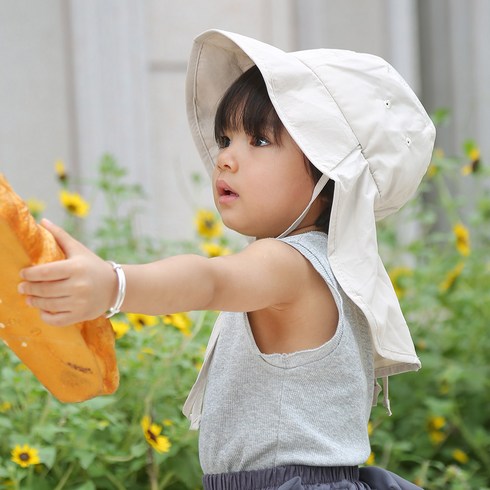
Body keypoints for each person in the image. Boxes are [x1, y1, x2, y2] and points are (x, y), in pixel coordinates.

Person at [18, 30, 435, 490]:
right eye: (224, 138)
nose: (226, 159)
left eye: (258, 141)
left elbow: (208, 280)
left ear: (330, 171)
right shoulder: (328, 265)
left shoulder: (287, 265)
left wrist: (114, 284)